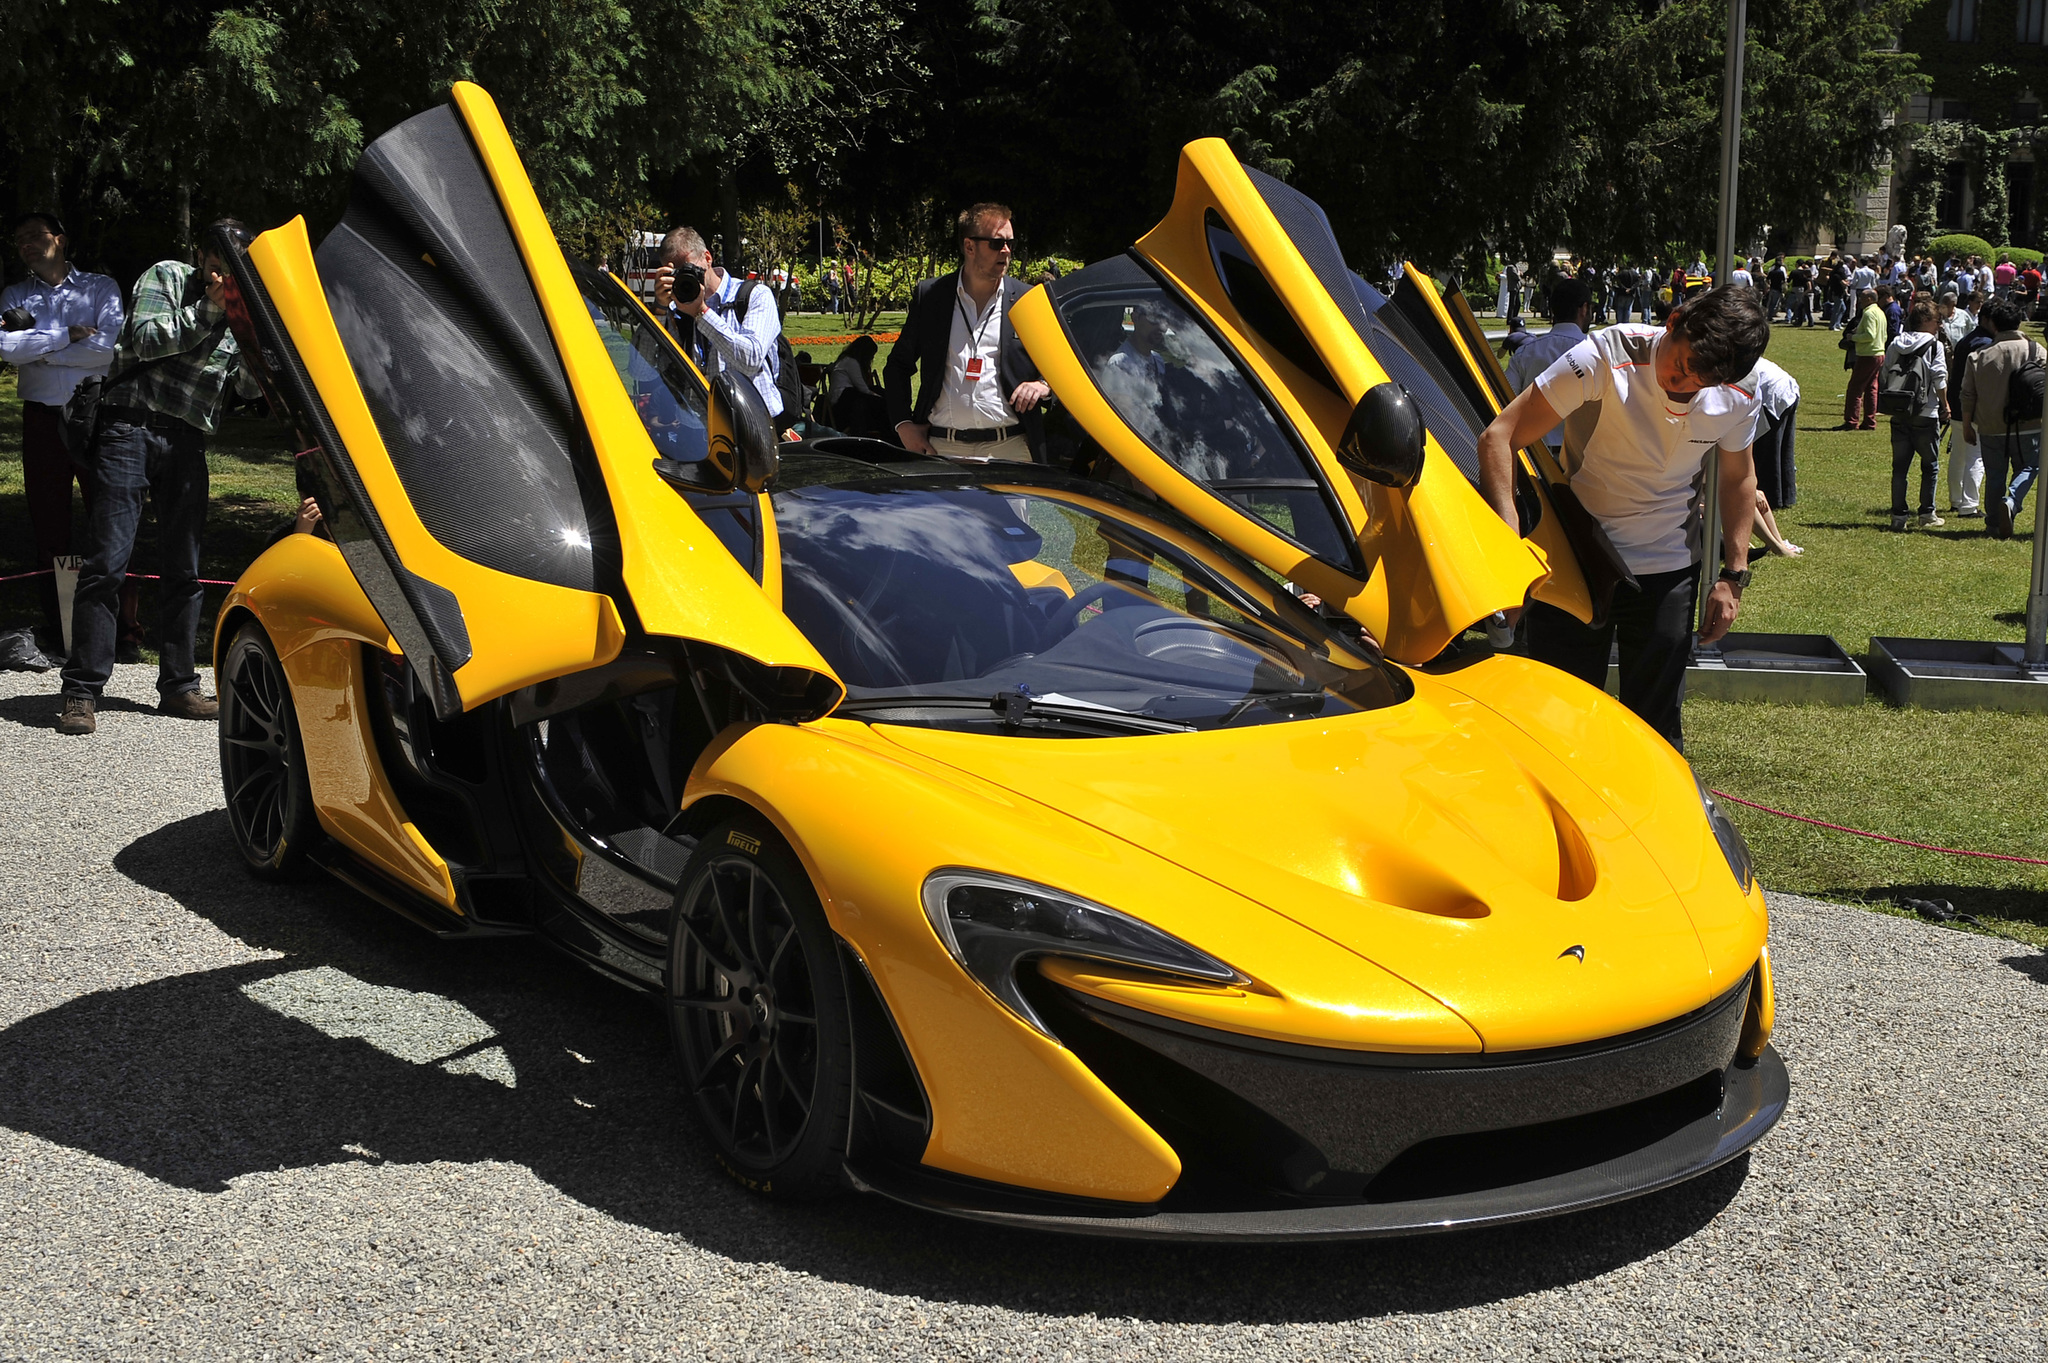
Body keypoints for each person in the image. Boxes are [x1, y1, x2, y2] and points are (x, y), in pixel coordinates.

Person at [1475, 286, 1770, 750]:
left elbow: (1737, 479)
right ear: (1673, 323)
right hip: (1577, 556)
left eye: (1701, 382)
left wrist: (1733, 575)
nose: (1685, 384)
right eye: (1681, 365)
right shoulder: (1605, 354)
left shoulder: (1741, 388)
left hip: (1669, 565)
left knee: (1655, 730)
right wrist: (1508, 551)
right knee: (1560, 719)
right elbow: (1499, 436)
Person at [57, 220, 260, 736]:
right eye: (218, 261)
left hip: (187, 439)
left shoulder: (243, 313)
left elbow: (247, 389)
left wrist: (263, 351)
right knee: (108, 560)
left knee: (185, 568)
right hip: (129, 426)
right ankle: (81, 691)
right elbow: (146, 339)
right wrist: (212, 306)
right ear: (201, 255)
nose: (223, 273)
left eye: (235, 267)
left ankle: (179, 688)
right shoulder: (168, 276)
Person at [0, 211, 139, 659]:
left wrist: (40, 352)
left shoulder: (100, 288)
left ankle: (125, 631)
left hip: (97, 413)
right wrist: (66, 336)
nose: (25, 243)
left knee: (112, 519)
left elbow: (107, 347)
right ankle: (61, 629)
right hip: (42, 419)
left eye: (34, 235)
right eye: (19, 238)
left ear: (60, 239)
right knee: (49, 523)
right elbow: (4, 348)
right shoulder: (15, 294)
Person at [884, 202, 1050, 462]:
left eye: (1010, 243)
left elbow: (1059, 364)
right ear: (969, 246)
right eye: (997, 243)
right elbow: (898, 365)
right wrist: (903, 425)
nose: (1006, 251)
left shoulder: (1028, 301)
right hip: (943, 447)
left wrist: (1042, 385)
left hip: (1010, 447)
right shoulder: (931, 296)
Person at [654, 225, 786, 430]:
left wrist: (701, 313)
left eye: (687, 268)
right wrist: (660, 309)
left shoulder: (754, 296)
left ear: (707, 258)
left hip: (753, 427)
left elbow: (750, 360)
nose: (683, 278)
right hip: (699, 428)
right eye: (675, 273)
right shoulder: (674, 309)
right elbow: (640, 372)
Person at [1961, 298, 2043, 539]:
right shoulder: (2037, 350)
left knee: (1995, 474)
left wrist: (1967, 426)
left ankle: (1993, 524)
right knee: (2030, 466)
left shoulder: (1979, 356)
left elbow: (1967, 395)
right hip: (2030, 424)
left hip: (1991, 425)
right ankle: (2013, 500)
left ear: (1993, 325)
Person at [1882, 298, 1949, 530]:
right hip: (1925, 410)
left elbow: (1884, 373)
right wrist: (1945, 404)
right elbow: (1939, 376)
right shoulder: (1934, 345)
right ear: (1926, 320)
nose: (1939, 325)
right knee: (1930, 465)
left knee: (1899, 467)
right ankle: (1926, 513)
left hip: (1899, 408)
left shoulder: (1896, 342)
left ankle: (1898, 516)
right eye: (1937, 320)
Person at [1504, 278, 1590, 449]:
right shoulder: (1599, 353)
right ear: (1584, 309)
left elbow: (1504, 398)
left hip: (1535, 457)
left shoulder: (1525, 353)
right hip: (1583, 459)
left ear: (1552, 310)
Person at [1947, 300, 1996, 518]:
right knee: (1976, 456)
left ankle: (1957, 499)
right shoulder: (1985, 343)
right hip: (1973, 406)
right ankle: (1968, 505)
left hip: (1956, 403)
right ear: (1986, 319)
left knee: (1958, 454)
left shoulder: (1968, 339)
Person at [1751, 354, 1800, 519]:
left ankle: (1771, 497)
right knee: (1783, 449)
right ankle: (1786, 495)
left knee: (1767, 450)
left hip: (1773, 394)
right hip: (1787, 389)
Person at [825, 334, 889, 436]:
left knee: (878, 391)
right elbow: (862, 388)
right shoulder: (851, 362)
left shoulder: (844, 360)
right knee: (880, 401)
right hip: (845, 397)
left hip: (844, 397)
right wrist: (879, 397)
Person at [1843, 287, 1885, 431]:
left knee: (1855, 388)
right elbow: (1881, 335)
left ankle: (1851, 421)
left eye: (1862, 298)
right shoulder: (1880, 312)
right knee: (1871, 388)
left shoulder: (1869, 313)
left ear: (1869, 299)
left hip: (1868, 354)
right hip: (1879, 352)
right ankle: (1869, 421)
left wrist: (1853, 337)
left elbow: (1869, 335)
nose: (1859, 301)